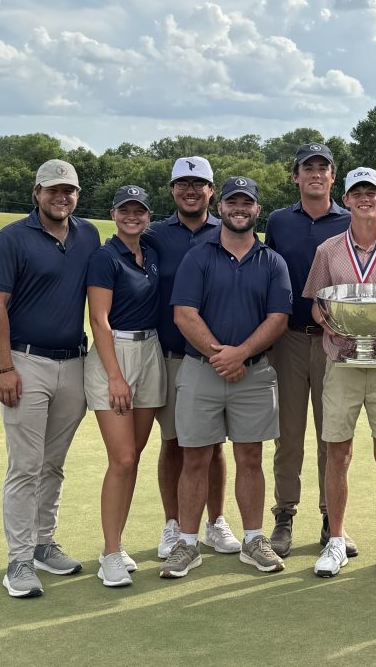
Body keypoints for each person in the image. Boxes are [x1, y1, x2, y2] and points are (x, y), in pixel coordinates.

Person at [159, 177, 291, 578]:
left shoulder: (272, 261)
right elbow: (184, 314)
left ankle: (253, 539)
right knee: (195, 457)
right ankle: (186, 543)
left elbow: (278, 318)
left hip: (254, 372)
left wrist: (242, 353)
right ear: (221, 208)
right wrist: (223, 356)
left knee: (250, 456)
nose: (239, 209)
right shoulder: (198, 256)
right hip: (203, 371)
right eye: (233, 202)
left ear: (257, 210)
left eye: (247, 203)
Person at [0, 159, 100, 598]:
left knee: (53, 463)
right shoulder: (12, 238)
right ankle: (18, 559)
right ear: (37, 193)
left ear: (77, 194)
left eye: (68, 190)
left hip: (74, 363)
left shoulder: (88, 235)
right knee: (25, 465)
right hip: (25, 361)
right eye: (52, 190)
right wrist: (4, 368)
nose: (61, 197)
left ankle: (42, 544)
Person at [303, 167, 376, 579]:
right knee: (338, 453)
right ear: (347, 200)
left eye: (371, 192)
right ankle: (336, 539)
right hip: (340, 362)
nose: (364, 198)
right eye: (357, 192)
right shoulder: (328, 250)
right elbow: (316, 304)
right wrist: (330, 323)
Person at [144, 157, 240, 559]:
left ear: (211, 191)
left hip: (214, 358)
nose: (190, 191)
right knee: (173, 442)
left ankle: (215, 522)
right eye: (182, 184)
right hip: (171, 355)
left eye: (198, 184)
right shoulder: (153, 234)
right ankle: (173, 524)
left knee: (213, 444)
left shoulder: (228, 230)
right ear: (172, 190)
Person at [264, 143, 355, 558]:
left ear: (333, 176)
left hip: (336, 340)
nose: (316, 174)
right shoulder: (279, 221)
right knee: (288, 435)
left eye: (323, 167)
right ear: (295, 176)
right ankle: (284, 514)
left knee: (331, 434)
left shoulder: (350, 219)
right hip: (288, 339)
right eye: (308, 168)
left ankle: (330, 517)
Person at [84, 185, 168, 587]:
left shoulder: (150, 253)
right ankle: (110, 551)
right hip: (114, 354)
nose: (132, 216)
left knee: (133, 455)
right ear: (113, 214)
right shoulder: (105, 258)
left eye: (139, 211)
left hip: (150, 349)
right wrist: (115, 376)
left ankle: (115, 545)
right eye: (125, 210)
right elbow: (98, 320)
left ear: (149, 216)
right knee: (121, 459)